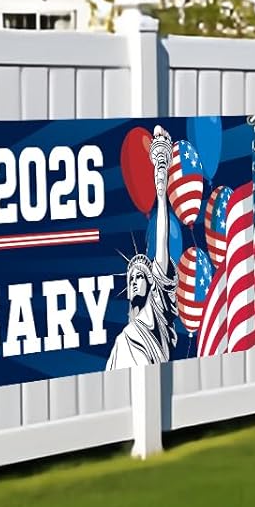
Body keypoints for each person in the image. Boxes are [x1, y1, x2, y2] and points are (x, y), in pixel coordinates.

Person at [106, 125, 177, 370]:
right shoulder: (123, 340)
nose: (134, 281)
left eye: (139, 276)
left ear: (152, 281)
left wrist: (161, 192)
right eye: (131, 278)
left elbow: (161, 243)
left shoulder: (158, 312)